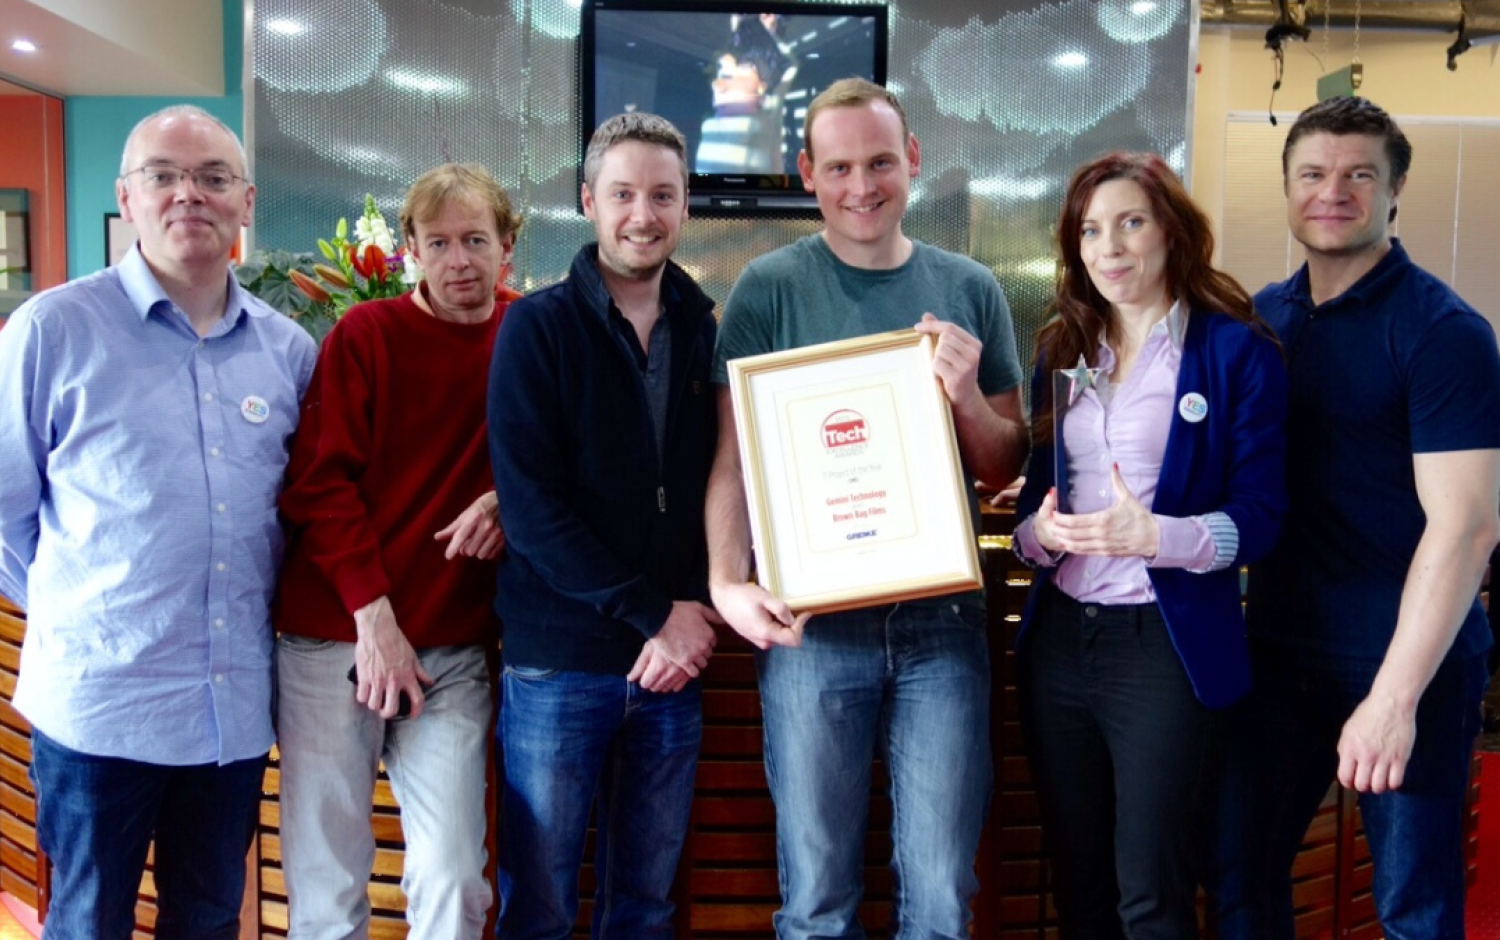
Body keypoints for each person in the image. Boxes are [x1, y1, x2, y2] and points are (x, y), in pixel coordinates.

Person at [705, 77, 1029, 940]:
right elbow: (733, 461)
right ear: (808, 173)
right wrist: (725, 581)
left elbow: (1004, 467)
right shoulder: (768, 288)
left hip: (943, 627)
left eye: (881, 161)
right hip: (813, 632)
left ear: (912, 159)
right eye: (840, 165)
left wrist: (963, 394)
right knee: (815, 902)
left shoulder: (969, 286)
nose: (862, 185)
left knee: (941, 898)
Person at [0, 104, 316, 939]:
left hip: (230, 711)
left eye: (213, 179)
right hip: (99, 707)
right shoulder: (51, 331)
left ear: (245, 202)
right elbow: (6, 513)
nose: (189, 195)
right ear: (127, 197)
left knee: (209, 920)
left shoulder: (289, 352)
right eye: (164, 177)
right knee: (88, 922)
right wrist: (85, 613)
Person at [1205, 96, 1500, 940]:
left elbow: (1468, 526)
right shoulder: (1264, 316)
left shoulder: (1443, 333)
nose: (1332, 192)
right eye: (1313, 174)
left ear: (1395, 189)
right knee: (1237, 878)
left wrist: (1393, 698)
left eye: (1358, 175)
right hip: (1281, 657)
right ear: (1289, 187)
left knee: (1413, 905)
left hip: (1408, 663)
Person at [1010, 152, 1286, 938]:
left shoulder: (1236, 354)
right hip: (1061, 643)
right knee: (1079, 883)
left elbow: (1263, 517)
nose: (1110, 247)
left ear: (1171, 229)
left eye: (1130, 221)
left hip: (1162, 649)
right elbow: (1035, 510)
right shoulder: (1065, 351)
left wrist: (1157, 536)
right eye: (1091, 230)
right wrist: (1042, 534)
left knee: (1150, 890)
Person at [273, 163, 522, 940]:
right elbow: (319, 484)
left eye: (476, 241)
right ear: (410, 249)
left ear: (507, 247)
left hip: (451, 652)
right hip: (335, 640)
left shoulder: (532, 334)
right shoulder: (365, 336)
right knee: (327, 880)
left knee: (454, 877)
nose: (459, 262)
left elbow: (571, 458)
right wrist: (371, 619)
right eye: (439, 242)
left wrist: (512, 500)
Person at [487, 112, 720, 939]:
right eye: (623, 193)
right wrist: (656, 614)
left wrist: (690, 609)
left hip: (671, 670)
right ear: (589, 201)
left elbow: (713, 486)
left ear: (686, 206)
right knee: (542, 903)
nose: (643, 214)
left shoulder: (702, 327)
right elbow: (531, 510)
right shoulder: (536, 327)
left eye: (662, 195)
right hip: (563, 664)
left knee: (646, 904)